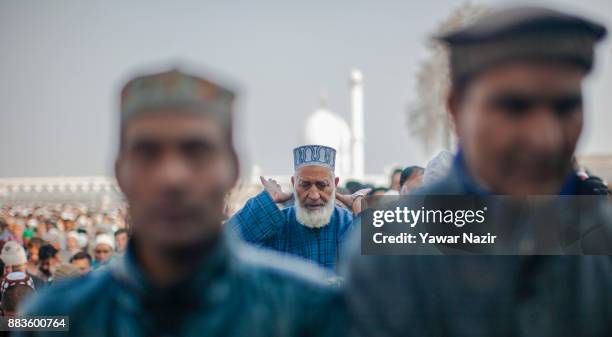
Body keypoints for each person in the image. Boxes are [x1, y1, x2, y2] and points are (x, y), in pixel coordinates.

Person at [344, 6, 612, 337]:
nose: (545, 137)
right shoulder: (392, 250)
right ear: (456, 108)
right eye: (515, 107)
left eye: (565, 107)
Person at [19, 68, 343, 336]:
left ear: (232, 170)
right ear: (119, 172)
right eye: (148, 153)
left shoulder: (304, 308)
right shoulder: (55, 317)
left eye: (195, 152)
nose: (172, 177)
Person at [229, 144, 367, 271]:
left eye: (322, 185)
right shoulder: (277, 227)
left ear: (335, 184)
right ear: (294, 183)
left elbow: (383, 270)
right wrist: (265, 203)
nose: (313, 195)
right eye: (305, 185)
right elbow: (221, 250)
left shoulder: (350, 225)